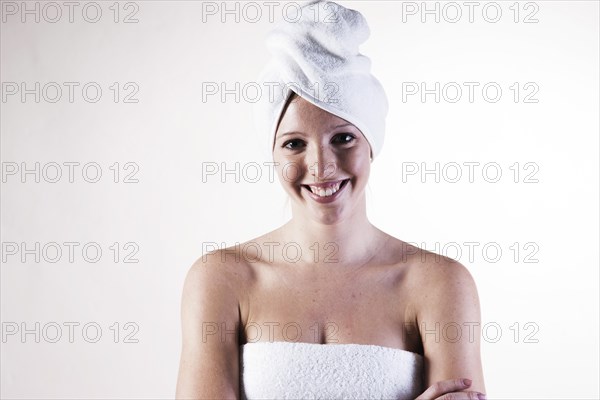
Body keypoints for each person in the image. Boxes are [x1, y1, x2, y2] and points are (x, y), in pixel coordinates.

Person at [176, 1, 486, 399]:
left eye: (343, 138)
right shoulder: (222, 280)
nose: (321, 166)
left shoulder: (438, 283)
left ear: (372, 143)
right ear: (272, 153)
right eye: (294, 144)